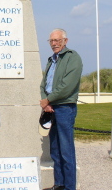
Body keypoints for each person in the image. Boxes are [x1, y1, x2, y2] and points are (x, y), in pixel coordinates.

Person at [40, 28, 83, 190]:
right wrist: (47, 102)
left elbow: (67, 85)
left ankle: (69, 186)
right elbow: (44, 84)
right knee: (55, 150)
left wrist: (48, 99)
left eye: (57, 40)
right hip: (50, 109)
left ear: (65, 41)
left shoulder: (73, 58)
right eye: (51, 41)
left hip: (65, 108)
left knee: (66, 151)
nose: (54, 44)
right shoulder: (51, 60)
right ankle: (59, 184)